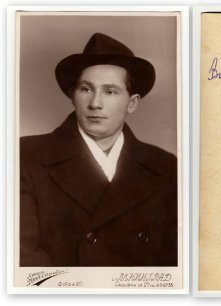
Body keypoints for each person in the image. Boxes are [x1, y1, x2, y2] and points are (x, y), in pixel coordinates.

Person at [20, 33, 178, 267]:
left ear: (132, 103)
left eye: (110, 91)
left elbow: (174, 262)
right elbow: (19, 257)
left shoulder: (165, 167)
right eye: (86, 89)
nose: (95, 103)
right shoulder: (26, 155)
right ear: (72, 95)